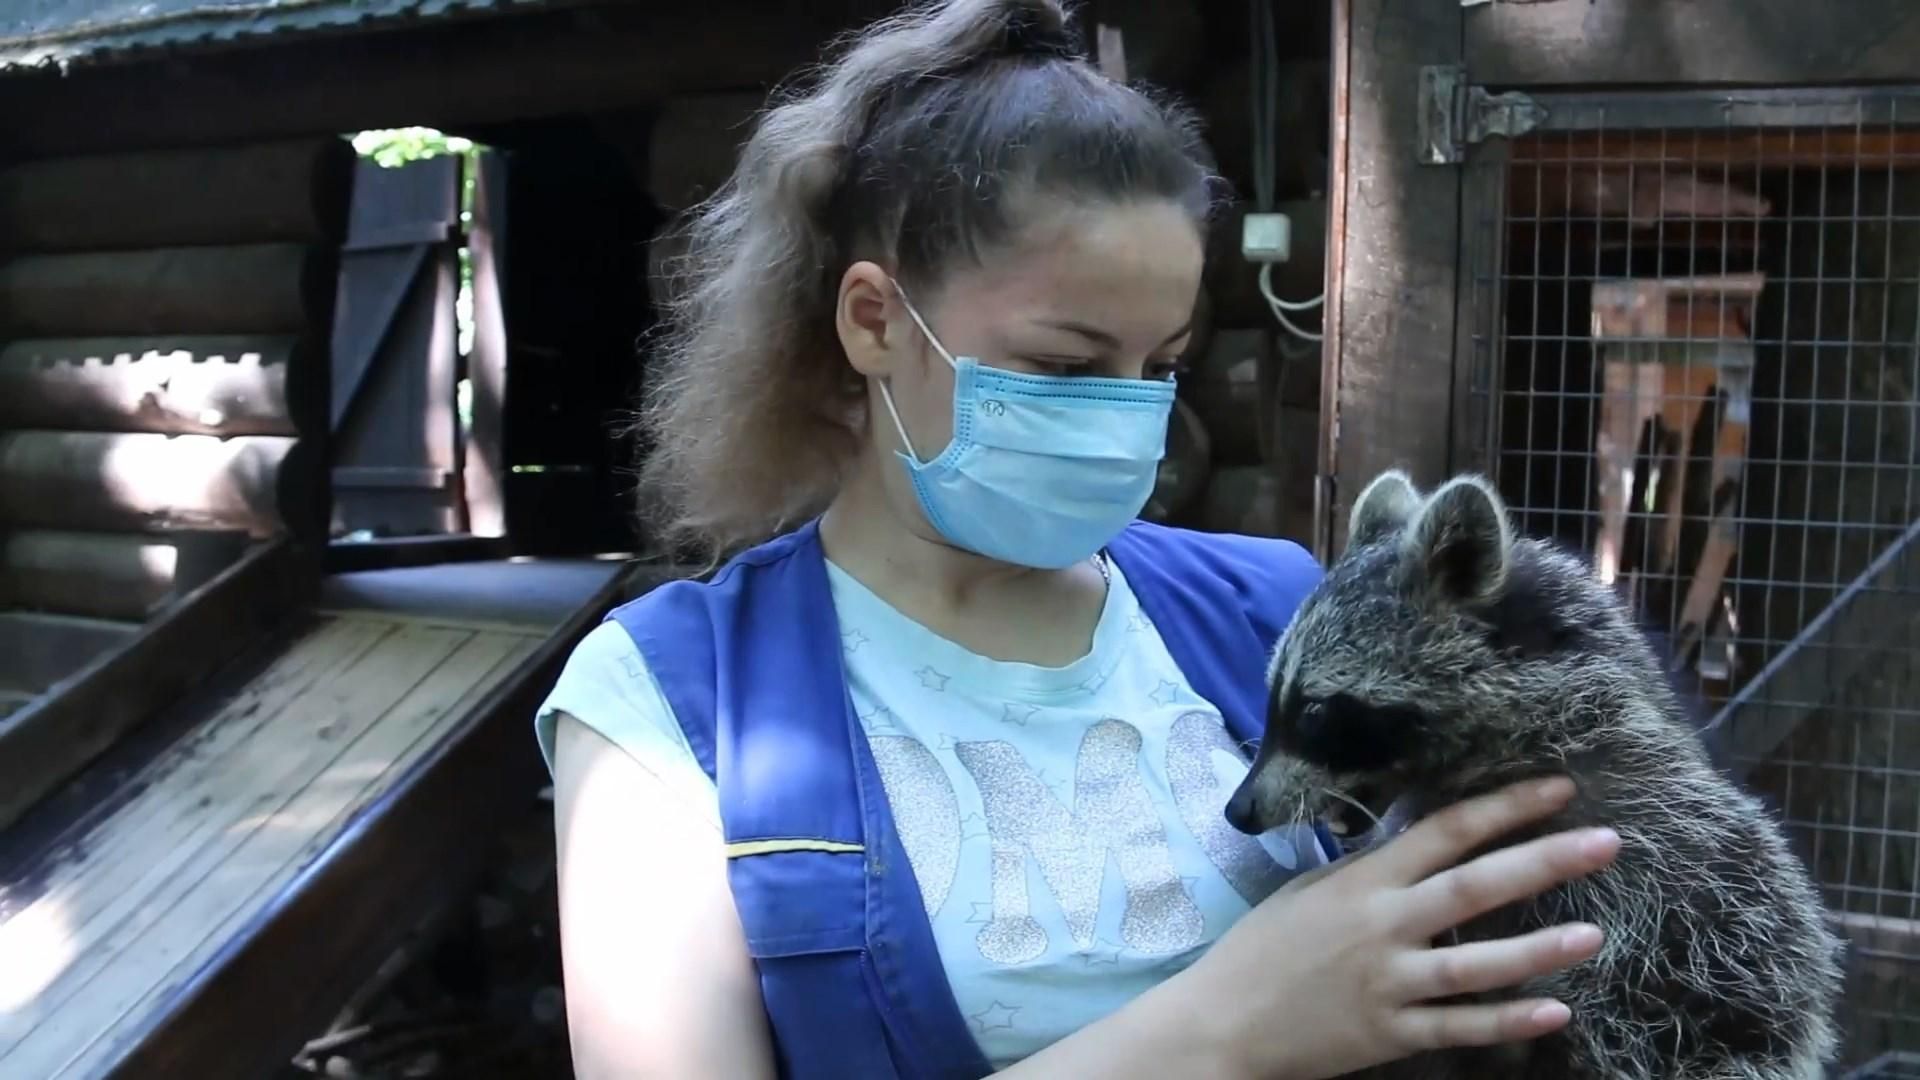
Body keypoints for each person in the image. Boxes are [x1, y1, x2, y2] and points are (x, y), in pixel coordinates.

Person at [535, 1, 1622, 1076]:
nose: (1125, 417)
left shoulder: (1270, 608)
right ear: (873, 321)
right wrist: (1221, 1035)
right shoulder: (670, 700)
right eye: (1065, 365)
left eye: (1161, 368)